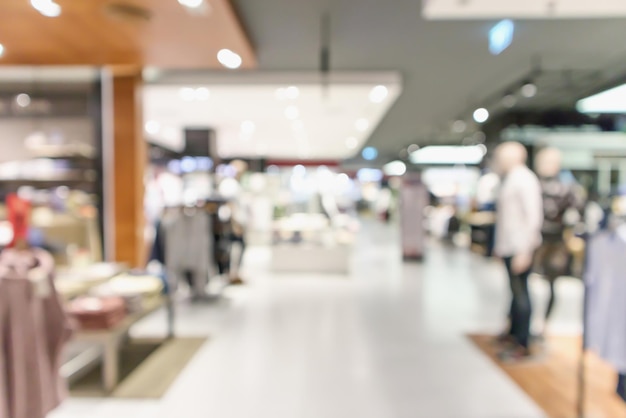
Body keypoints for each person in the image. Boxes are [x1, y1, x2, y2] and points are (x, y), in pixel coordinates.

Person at [493, 142, 544, 362]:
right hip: (509, 245)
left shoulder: (525, 179)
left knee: (521, 293)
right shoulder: (511, 179)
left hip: (520, 247)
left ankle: (523, 342)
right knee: (515, 292)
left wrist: (525, 250)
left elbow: (533, 217)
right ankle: (513, 333)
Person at [533, 148, 585, 339]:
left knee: (551, 283)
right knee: (525, 283)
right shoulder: (533, 184)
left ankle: (544, 324)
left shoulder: (567, 187)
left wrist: (569, 229)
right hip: (534, 240)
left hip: (555, 242)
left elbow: (578, 211)